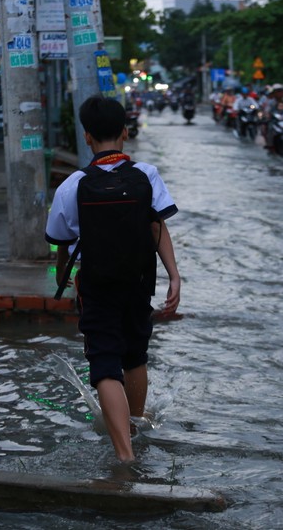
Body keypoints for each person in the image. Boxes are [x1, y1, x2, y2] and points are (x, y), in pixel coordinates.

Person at [45, 95, 181, 463]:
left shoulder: (72, 185)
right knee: (135, 356)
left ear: (87, 137)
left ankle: (125, 455)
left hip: (96, 284)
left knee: (105, 362)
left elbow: (60, 245)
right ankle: (134, 428)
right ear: (125, 132)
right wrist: (174, 276)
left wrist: (63, 276)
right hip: (139, 282)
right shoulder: (146, 175)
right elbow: (158, 228)